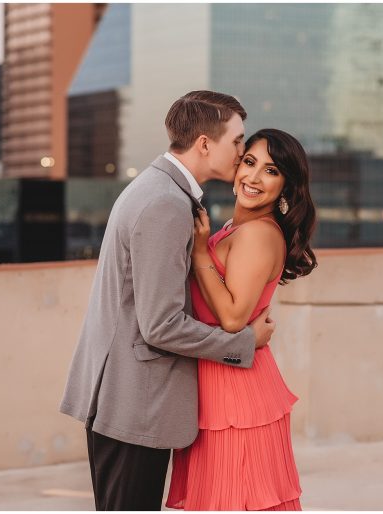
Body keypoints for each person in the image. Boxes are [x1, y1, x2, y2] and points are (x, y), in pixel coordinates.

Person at [59, 91, 276, 510]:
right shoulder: (166, 203)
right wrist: (244, 343)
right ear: (205, 144)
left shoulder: (158, 187)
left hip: (124, 396)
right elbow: (160, 325)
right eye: (237, 141)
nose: (241, 152)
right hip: (135, 402)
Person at [166, 128, 317, 510]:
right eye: (249, 162)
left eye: (271, 171)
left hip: (236, 392)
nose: (252, 177)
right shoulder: (238, 228)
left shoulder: (258, 236)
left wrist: (200, 250)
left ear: (285, 186)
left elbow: (233, 317)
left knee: (235, 498)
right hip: (221, 380)